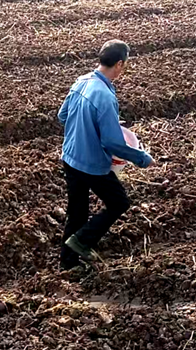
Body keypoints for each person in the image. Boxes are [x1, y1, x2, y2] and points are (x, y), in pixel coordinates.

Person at [57, 39, 153, 269]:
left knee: (77, 212)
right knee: (119, 202)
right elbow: (111, 142)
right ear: (119, 64)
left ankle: (67, 265)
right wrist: (142, 158)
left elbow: (63, 115)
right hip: (91, 163)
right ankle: (81, 241)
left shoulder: (81, 81)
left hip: (70, 157)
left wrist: (93, 124)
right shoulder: (105, 96)